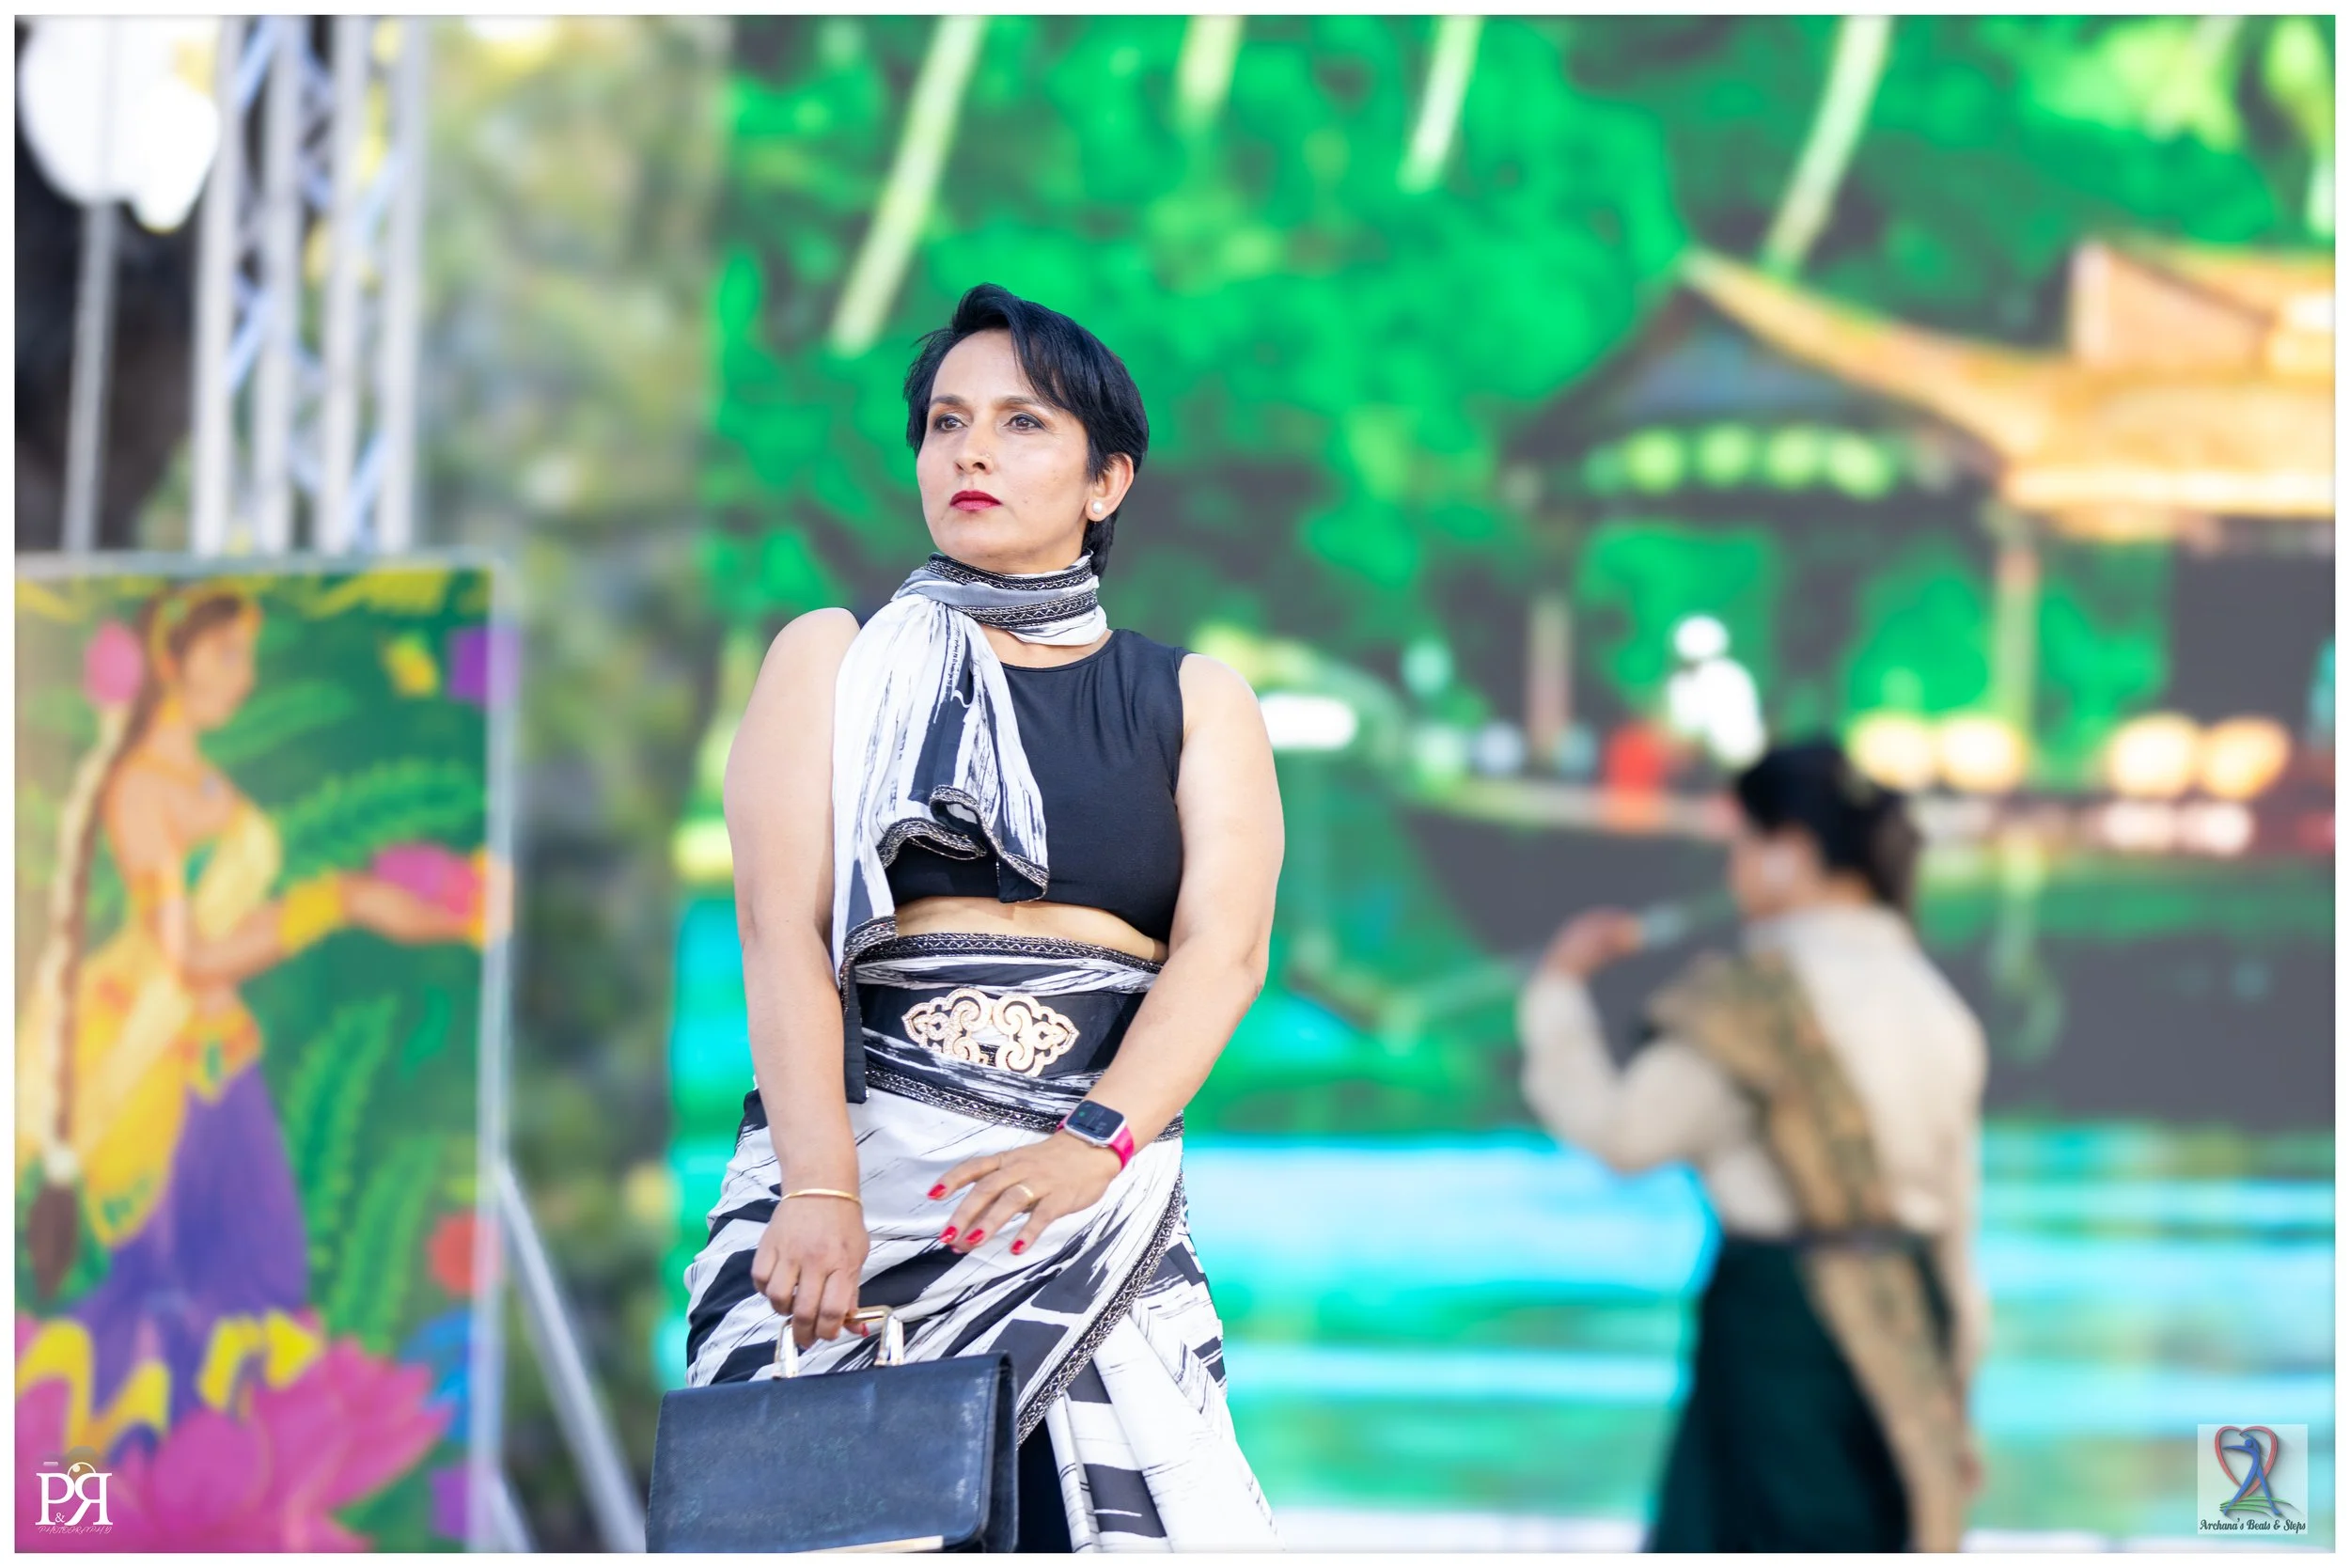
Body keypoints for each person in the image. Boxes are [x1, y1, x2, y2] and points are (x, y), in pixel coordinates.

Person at [681, 284, 1284, 1550]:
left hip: (1083, 1208)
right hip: (848, 1196)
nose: (968, 451)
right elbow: (781, 935)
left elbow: (1223, 955)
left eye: (1021, 426)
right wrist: (824, 1192)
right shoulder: (827, 661)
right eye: (945, 422)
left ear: (1105, 482)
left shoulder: (1194, 698)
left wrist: (1089, 1148)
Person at [14, 583, 501, 1449]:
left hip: (215, 1053)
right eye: (226, 652)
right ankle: (87, 1496)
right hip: (151, 1064)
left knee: (254, 1280)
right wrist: (326, 905)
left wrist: (441, 910)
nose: (243, 673)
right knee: (162, 1288)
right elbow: (187, 956)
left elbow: (286, 914)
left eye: (248, 653)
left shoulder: (199, 774)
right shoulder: (140, 790)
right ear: (172, 661)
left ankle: (199, 1484)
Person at [1517, 739, 1989, 1552]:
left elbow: (1624, 1136)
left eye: (1741, 844)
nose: (1733, 869)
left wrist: (1558, 993)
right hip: (1907, 1356)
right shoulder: (1937, 1008)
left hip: (1781, 1339)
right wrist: (1956, 1406)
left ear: (1790, 854)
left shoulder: (1745, 1006)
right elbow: (1957, 1244)